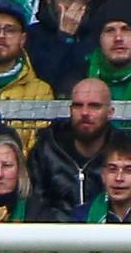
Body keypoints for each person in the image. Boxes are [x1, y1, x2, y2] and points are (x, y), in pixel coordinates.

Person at [26, 77, 114, 218]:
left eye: (94, 106)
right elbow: (33, 203)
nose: (85, 112)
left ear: (110, 112)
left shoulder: (123, 150)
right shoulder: (46, 150)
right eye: (78, 105)